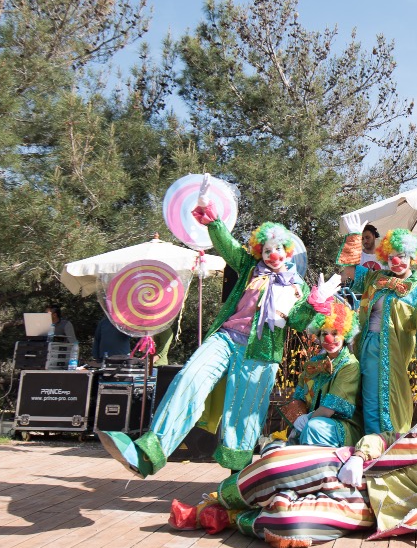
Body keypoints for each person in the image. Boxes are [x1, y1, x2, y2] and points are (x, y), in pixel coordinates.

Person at [99, 203, 327, 477]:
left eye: (277, 249)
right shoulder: (249, 268)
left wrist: (315, 304)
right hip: (226, 338)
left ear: (287, 250)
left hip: (261, 353)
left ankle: (237, 479)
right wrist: (215, 223)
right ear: (260, 252)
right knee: (189, 379)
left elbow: (300, 321)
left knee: (244, 414)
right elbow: (228, 246)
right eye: (266, 250)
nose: (272, 255)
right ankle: (149, 454)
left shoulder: (297, 285)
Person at [168, 417, 417, 548]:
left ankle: (227, 517)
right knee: (275, 465)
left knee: (288, 527)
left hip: (366, 509)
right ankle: (214, 501)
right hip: (355, 470)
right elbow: (381, 438)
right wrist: (359, 457)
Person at [337, 219, 417, 434]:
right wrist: (353, 239)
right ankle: (373, 441)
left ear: (412, 257)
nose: (396, 261)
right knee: (369, 397)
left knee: (391, 397)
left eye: (402, 255)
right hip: (367, 346)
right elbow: (348, 270)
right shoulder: (376, 278)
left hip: (394, 351)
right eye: (391, 257)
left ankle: (389, 441)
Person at [282, 284, 363, 447]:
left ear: (345, 334)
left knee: (314, 427)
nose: (329, 339)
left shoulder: (350, 365)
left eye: (335, 333)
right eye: (324, 333)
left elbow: (329, 408)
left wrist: (307, 420)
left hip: (342, 427)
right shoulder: (312, 364)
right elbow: (298, 398)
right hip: (312, 424)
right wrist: (297, 419)